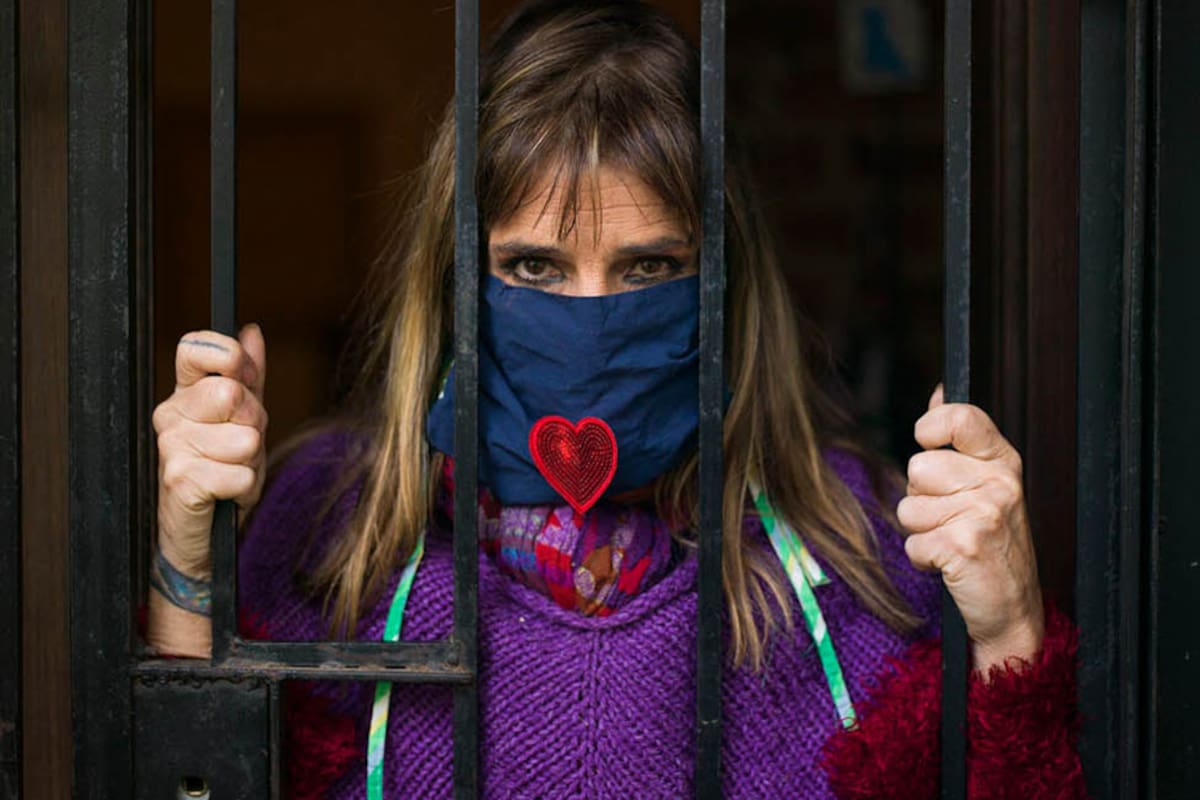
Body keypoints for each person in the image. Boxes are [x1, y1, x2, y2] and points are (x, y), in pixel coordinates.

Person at [146, 2, 1085, 798]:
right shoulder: (323, 529)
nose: (591, 322)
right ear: (456, 278)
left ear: (720, 283)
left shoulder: (866, 550)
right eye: (533, 268)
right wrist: (190, 560)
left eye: (649, 267)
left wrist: (1008, 633)